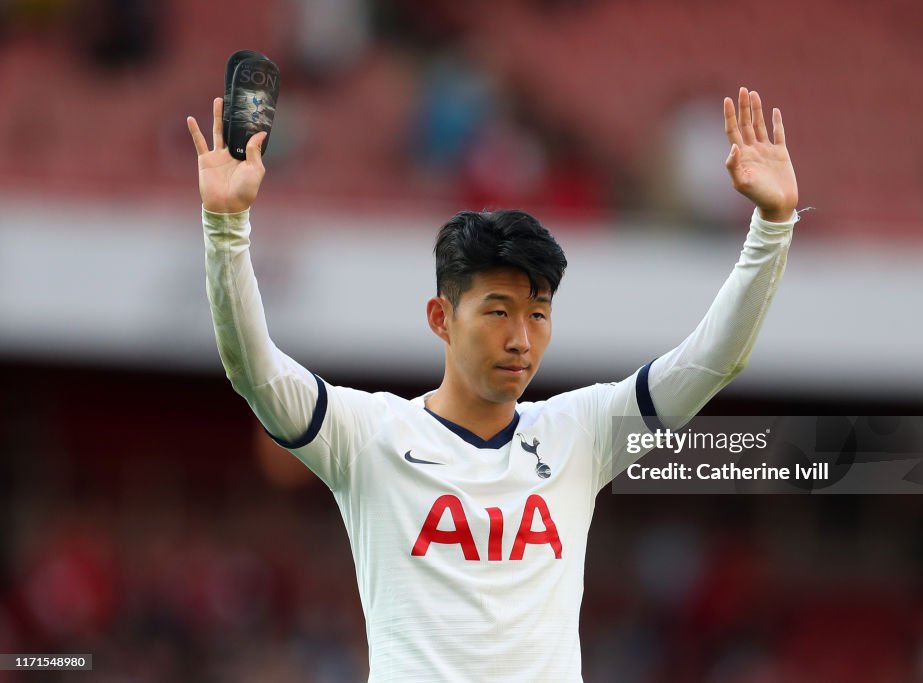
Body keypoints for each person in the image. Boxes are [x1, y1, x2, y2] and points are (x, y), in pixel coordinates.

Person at [186, 86, 800, 683]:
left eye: (538, 313)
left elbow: (713, 360)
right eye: (498, 310)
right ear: (441, 318)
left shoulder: (581, 432)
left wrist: (772, 225)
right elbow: (253, 368)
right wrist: (227, 225)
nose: (521, 338)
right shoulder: (367, 434)